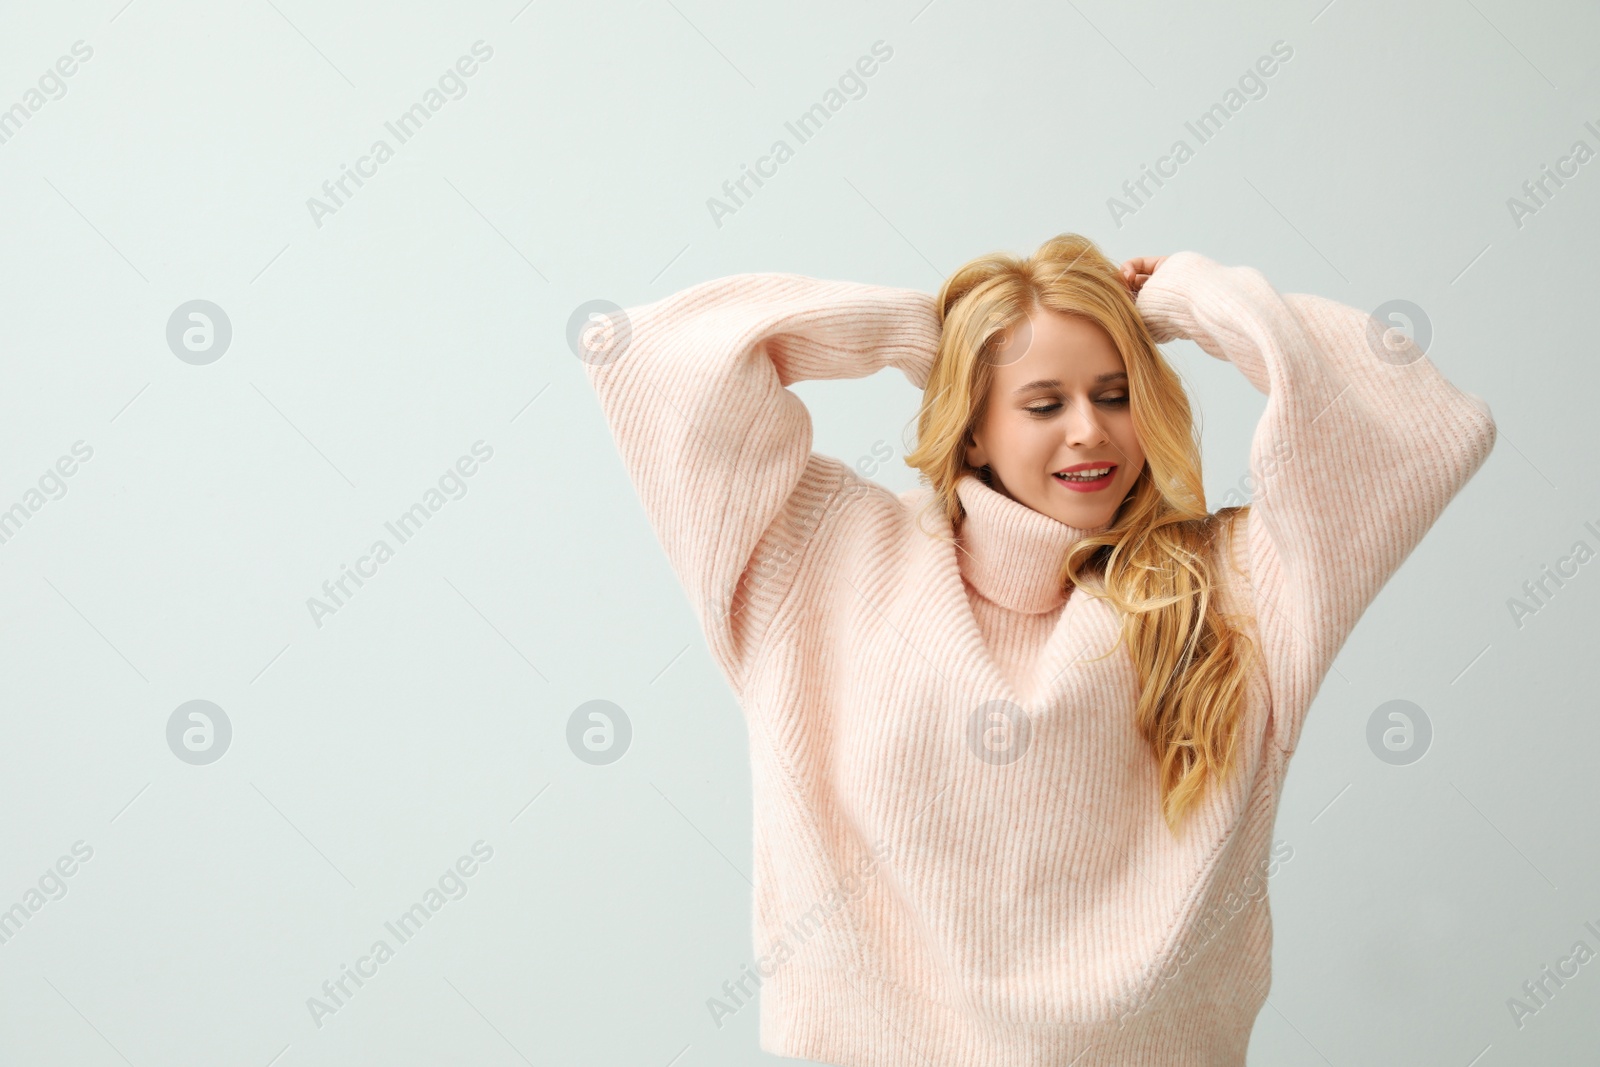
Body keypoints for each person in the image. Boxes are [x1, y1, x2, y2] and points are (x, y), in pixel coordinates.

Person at [577, 233, 1496, 1065]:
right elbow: (650, 360)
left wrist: (1190, 300)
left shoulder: (1235, 590)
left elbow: (1415, 427)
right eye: (1043, 401)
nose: (1090, 430)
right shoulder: (824, 560)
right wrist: (922, 332)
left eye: (1116, 392)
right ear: (972, 422)